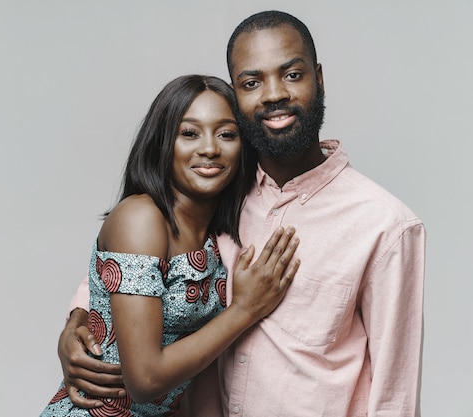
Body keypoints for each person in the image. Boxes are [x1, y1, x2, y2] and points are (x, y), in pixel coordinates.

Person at [60, 10, 426, 416]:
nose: (273, 95)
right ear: (237, 94)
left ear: (318, 78)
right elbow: (143, 260)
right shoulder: (219, 188)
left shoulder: (385, 224)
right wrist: (79, 320)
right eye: (252, 82)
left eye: (291, 74)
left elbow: (395, 395)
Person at [40, 74, 301, 417]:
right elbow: (145, 380)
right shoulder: (141, 218)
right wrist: (244, 310)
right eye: (189, 133)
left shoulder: (217, 237)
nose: (209, 148)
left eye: (226, 134)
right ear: (162, 143)